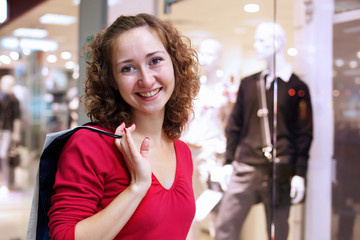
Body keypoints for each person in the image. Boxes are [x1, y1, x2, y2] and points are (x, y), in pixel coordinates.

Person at [48, 13, 200, 240]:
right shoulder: (91, 145)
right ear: (112, 80)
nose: (147, 80)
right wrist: (137, 187)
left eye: (155, 61)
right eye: (128, 68)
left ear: (175, 63)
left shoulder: (182, 151)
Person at [215, 22, 313, 240]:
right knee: (225, 226)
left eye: (261, 40)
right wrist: (228, 161)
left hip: (280, 168)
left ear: (277, 43)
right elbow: (235, 125)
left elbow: (304, 134)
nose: (256, 45)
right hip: (246, 165)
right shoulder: (249, 83)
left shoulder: (297, 87)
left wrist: (299, 173)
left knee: (277, 230)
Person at [182, 39, 229, 239]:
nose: (205, 58)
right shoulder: (192, 90)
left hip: (212, 151)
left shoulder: (226, 91)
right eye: (203, 53)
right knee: (186, 202)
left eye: (210, 54)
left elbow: (229, 123)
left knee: (213, 201)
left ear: (219, 59)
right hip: (188, 148)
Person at [0, 75, 21, 194]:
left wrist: (16, 133)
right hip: (2, 130)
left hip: (8, 130)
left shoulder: (14, 100)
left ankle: (7, 183)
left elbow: (17, 118)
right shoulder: (2, 98)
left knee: (4, 155)